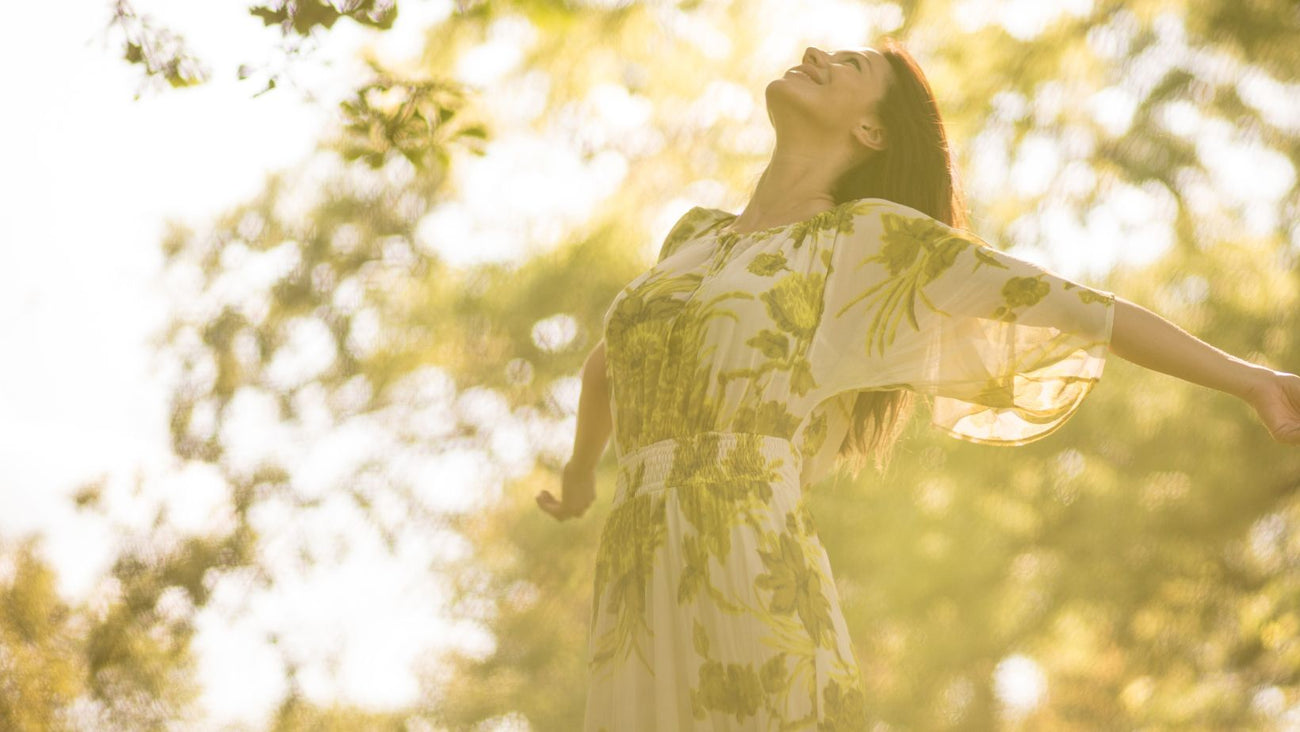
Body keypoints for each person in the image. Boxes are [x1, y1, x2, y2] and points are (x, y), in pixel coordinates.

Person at [536, 38, 1300, 730]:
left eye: (850, 64)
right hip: (637, 573)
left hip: (749, 566)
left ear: (873, 131)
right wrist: (579, 476)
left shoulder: (865, 242)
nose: (816, 51)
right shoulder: (694, 235)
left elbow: (1073, 305)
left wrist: (1247, 379)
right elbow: (611, 362)